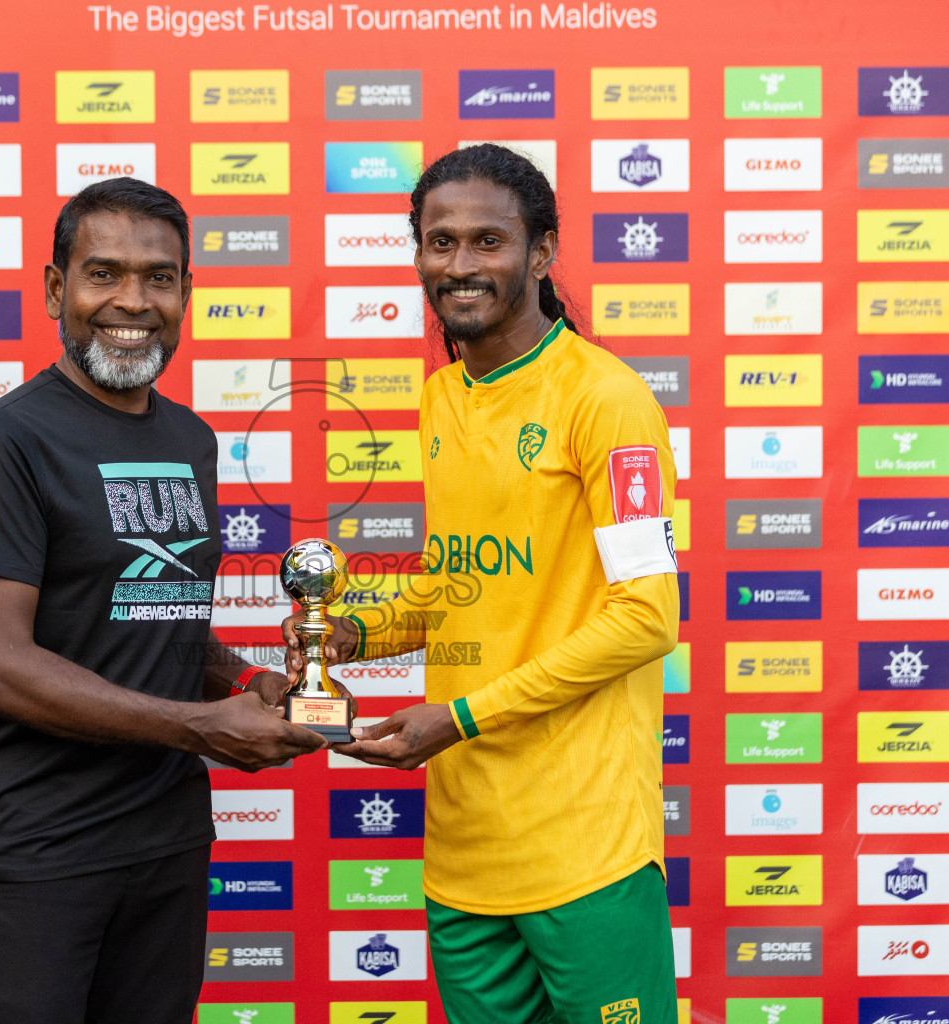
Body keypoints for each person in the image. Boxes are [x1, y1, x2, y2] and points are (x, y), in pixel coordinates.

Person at [284, 145, 682, 1024]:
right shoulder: (443, 398)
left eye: (488, 241)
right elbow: (460, 585)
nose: (460, 265)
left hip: (585, 847)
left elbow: (647, 618)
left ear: (540, 252)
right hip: (465, 849)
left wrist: (458, 718)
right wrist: (349, 635)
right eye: (440, 242)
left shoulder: (605, 401)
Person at [0, 177, 327, 1024]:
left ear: (187, 293)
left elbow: (157, 617)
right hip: (33, 854)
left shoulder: (191, 438)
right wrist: (197, 728)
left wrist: (240, 683)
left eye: (159, 277)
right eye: (102, 273)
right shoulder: (8, 438)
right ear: (54, 290)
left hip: (165, 848)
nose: (132, 301)